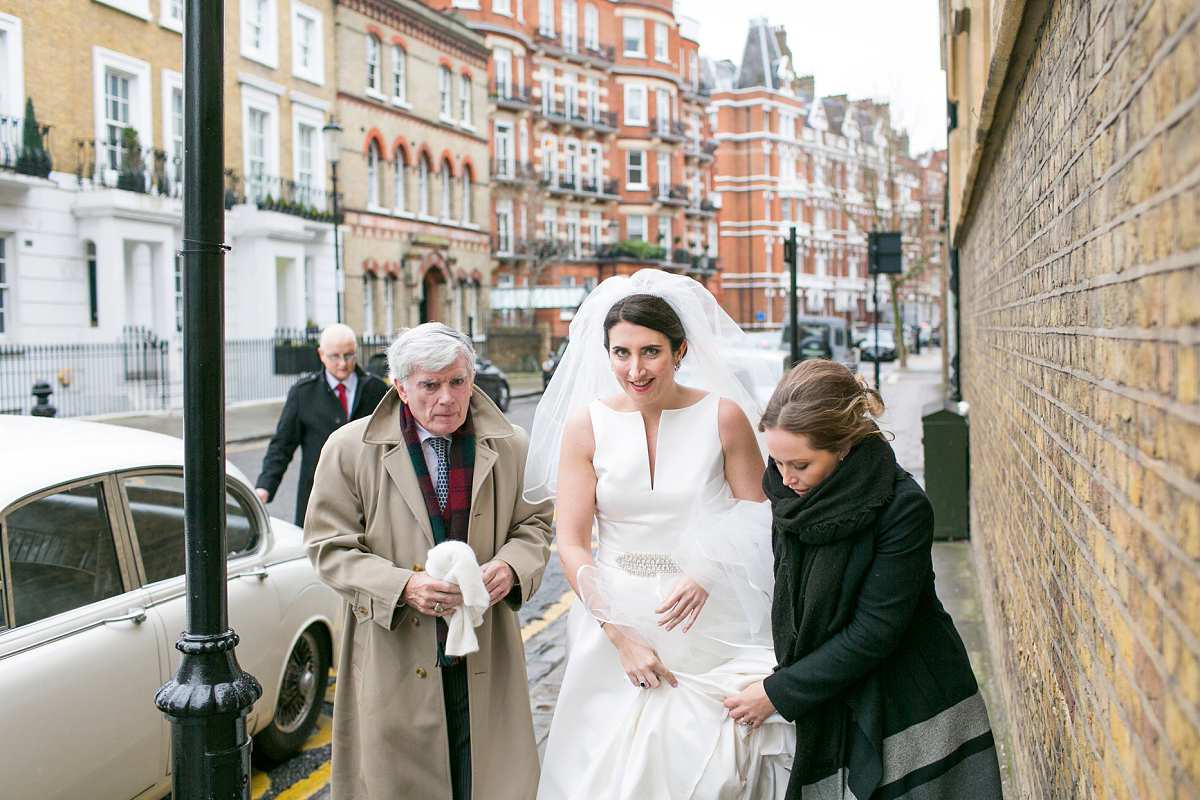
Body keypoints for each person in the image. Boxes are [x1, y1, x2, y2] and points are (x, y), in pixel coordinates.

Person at [526, 270, 795, 800]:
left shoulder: (724, 417)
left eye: (650, 351)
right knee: (605, 771)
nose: (636, 368)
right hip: (614, 616)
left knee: (704, 761)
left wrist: (706, 570)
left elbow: (757, 512)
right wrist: (622, 639)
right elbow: (572, 541)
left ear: (680, 350)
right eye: (621, 353)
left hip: (706, 610)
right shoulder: (586, 425)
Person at [723, 360, 1004, 799]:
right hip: (826, 682)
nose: (785, 478)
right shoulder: (790, 496)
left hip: (905, 694)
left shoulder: (903, 508)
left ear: (845, 446)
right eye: (776, 462)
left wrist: (780, 692)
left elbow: (875, 630)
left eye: (799, 463)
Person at [304, 323, 555, 800]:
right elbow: (327, 545)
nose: (447, 399)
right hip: (394, 653)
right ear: (400, 388)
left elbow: (536, 526)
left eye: (458, 382)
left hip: (485, 649)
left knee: (485, 779)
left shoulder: (513, 445)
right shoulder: (348, 448)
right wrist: (402, 586)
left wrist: (510, 567)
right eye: (430, 385)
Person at [255, 323, 388, 525]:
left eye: (349, 355)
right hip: (319, 495)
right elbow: (282, 445)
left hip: (368, 495)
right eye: (335, 356)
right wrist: (265, 486)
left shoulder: (376, 389)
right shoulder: (303, 393)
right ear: (321, 354)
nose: (343, 363)